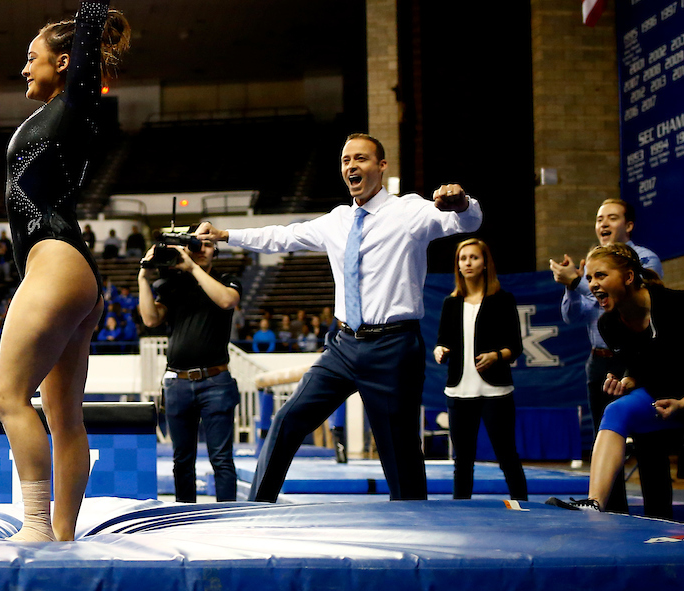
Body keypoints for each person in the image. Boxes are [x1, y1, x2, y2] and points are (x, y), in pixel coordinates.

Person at [197, 133, 481, 502]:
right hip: (343, 346)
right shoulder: (337, 220)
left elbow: (467, 223)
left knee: (400, 454)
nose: (351, 166)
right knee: (287, 421)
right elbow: (282, 236)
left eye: (360, 159)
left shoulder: (409, 211)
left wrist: (462, 203)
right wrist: (226, 234)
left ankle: (416, 531)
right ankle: (257, 508)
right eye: (346, 161)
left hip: (393, 348)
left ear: (381, 166)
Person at [0, 0, 140, 543]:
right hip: (72, 265)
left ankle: (30, 525)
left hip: (53, 264)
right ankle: (63, 533)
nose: (23, 67)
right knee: (65, 417)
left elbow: (88, 26)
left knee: (5, 396)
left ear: (62, 63)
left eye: (31, 58)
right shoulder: (55, 119)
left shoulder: (71, 108)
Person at [549, 244, 684, 527]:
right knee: (616, 411)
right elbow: (640, 362)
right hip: (663, 397)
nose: (593, 285)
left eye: (600, 275)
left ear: (628, 277)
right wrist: (628, 379)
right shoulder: (609, 324)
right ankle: (594, 503)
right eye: (589, 278)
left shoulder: (681, 303)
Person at [548, 198, 670, 518]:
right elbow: (574, 314)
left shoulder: (644, 259)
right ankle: (611, 515)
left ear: (627, 225)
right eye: (599, 218)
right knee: (606, 436)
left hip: (640, 358)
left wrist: (577, 282)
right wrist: (575, 286)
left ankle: (659, 515)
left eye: (612, 218)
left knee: (649, 443)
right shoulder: (590, 267)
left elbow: (631, 296)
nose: (603, 224)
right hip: (600, 360)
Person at [139, 237, 242, 503]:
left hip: (215, 380)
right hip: (179, 383)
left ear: (215, 251)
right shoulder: (173, 286)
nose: (201, 250)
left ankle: (227, 519)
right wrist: (143, 277)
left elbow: (227, 301)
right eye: (196, 245)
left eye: (207, 245)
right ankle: (185, 517)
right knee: (181, 460)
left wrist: (193, 269)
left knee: (221, 459)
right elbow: (151, 319)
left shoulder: (227, 279)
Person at [433, 238, 527, 501]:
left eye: (474, 257)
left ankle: (523, 505)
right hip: (459, 391)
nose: (468, 263)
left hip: (496, 391)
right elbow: (442, 340)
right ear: (458, 266)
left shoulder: (502, 299)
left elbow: (515, 347)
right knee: (462, 460)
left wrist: (497, 355)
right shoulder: (450, 303)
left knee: (507, 455)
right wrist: (440, 350)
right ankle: (460, 508)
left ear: (485, 263)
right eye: (463, 259)